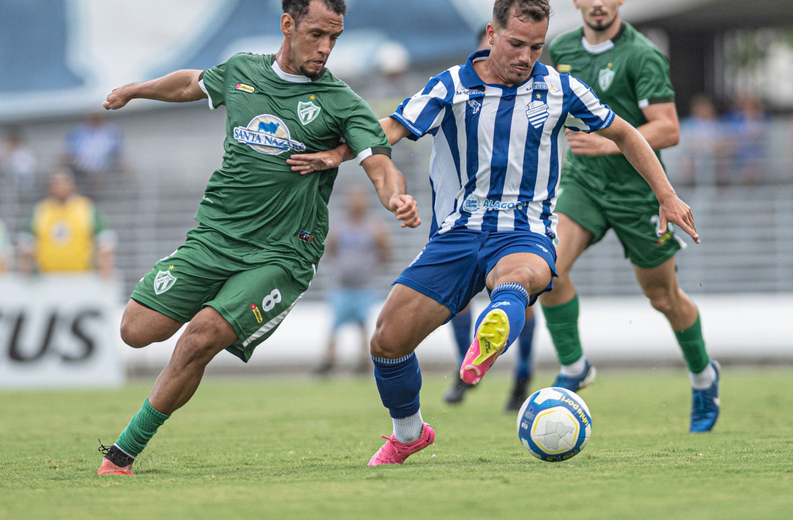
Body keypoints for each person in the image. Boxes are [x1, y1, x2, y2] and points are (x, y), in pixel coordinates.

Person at [290, 0, 699, 465]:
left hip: (524, 232)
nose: (526, 57)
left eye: (537, 47)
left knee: (520, 277)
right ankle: (409, 433)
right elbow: (391, 127)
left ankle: (498, 321)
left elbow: (626, 133)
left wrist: (666, 194)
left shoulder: (560, 88)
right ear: (492, 33)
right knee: (387, 340)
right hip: (457, 235)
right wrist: (337, 154)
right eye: (517, 44)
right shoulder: (451, 85)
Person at [96, 0, 421, 476]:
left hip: (283, 253)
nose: (326, 48)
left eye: (335, 37)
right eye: (317, 34)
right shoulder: (243, 72)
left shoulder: (340, 101)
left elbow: (378, 160)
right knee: (135, 330)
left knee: (200, 337)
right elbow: (190, 82)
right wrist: (134, 90)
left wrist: (396, 198)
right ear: (288, 25)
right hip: (215, 237)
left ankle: (122, 454)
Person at [541, 0, 719, 433]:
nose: (599, 3)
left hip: (638, 194)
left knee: (663, 298)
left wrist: (608, 143)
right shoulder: (561, 48)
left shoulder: (642, 55)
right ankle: (574, 365)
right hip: (583, 185)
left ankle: (703, 376)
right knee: (546, 270)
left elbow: (669, 128)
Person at [442, 25, 538, 412]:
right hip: (465, 217)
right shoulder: (461, 90)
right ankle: (467, 366)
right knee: (459, 302)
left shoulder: (537, 93)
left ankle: (522, 377)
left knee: (520, 296)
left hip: (520, 219)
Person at [315, 188, 391, 375]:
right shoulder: (341, 227)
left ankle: (364, 362)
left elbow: (387, 253)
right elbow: (330, 250)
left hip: (364, 286)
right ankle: (329, 360)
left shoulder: (374, 227)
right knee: (334, 325)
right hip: (343, 286)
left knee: (363, 325)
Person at [18, 171, 116, 277]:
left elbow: (105, 239)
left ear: (72, 184)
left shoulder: (86, 208)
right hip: (47, 278)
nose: (59, 186)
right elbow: (26, 241)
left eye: (63, 182)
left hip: (80, 277)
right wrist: (25, 268)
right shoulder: (42, 209)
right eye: (55, 183)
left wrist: (105, 266)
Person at [64, 112, 122, 194]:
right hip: (80, 165)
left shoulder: (111, 131)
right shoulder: (78, 131)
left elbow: (116, 151)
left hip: (104, 165)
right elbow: (70, 149)